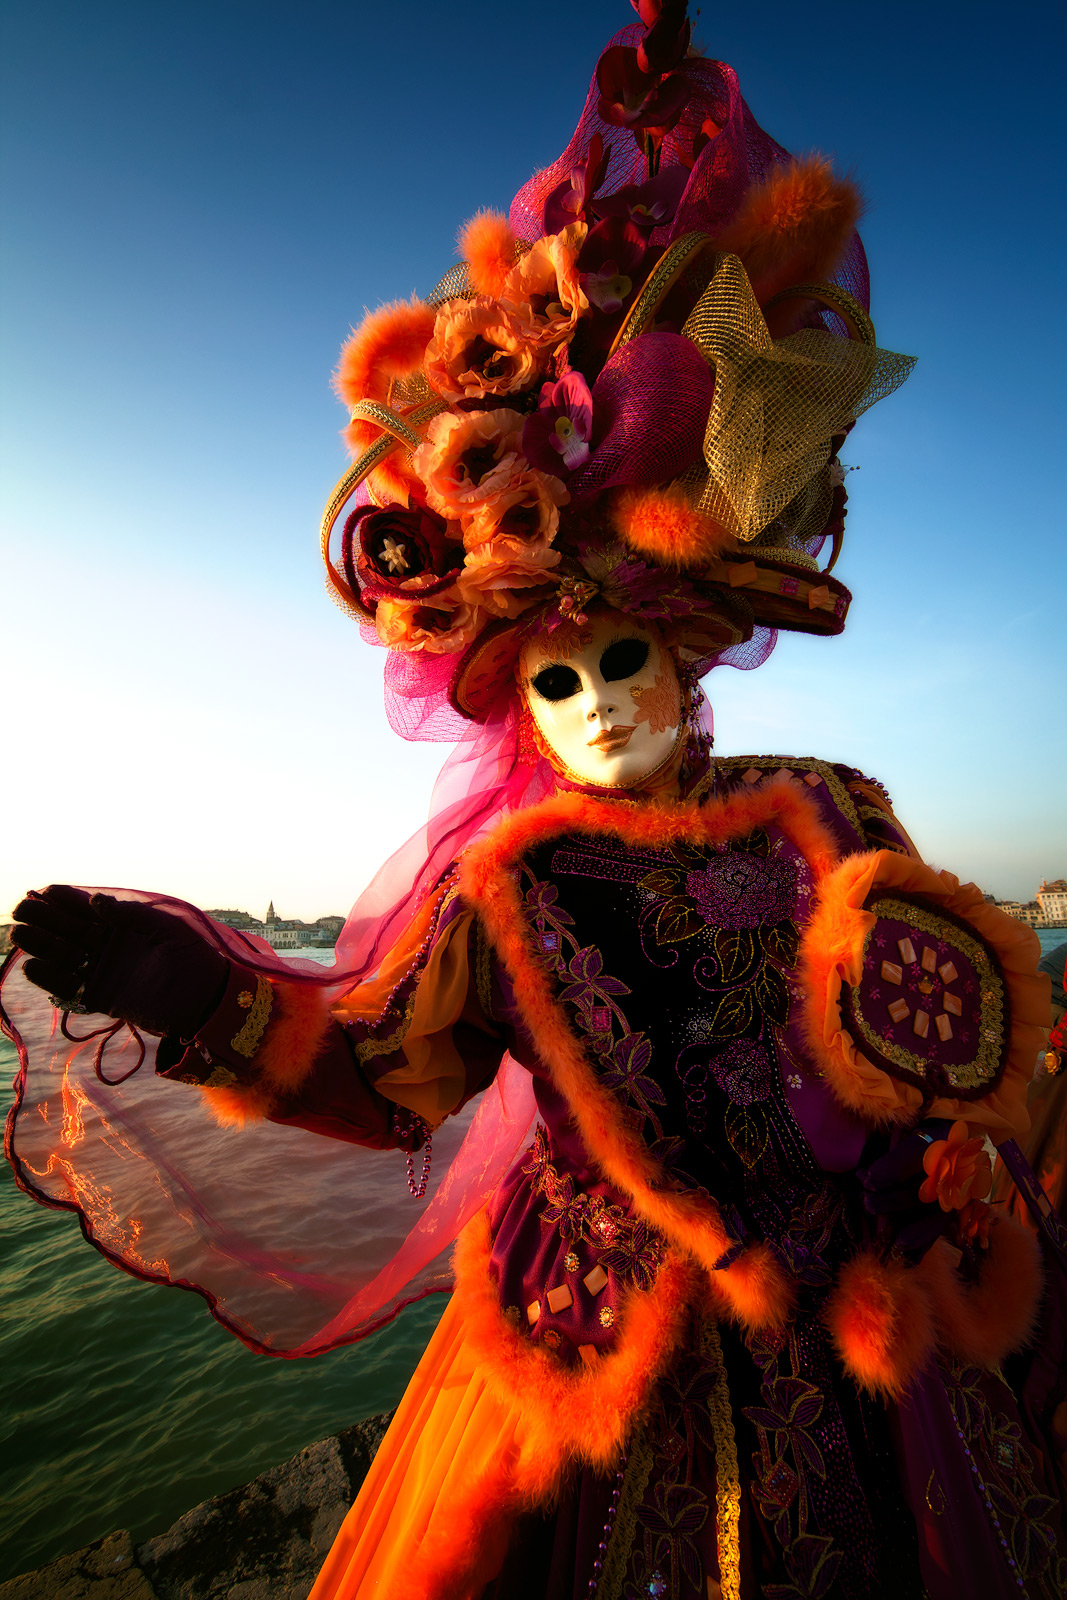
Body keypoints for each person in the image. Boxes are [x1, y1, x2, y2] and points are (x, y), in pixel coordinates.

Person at [5, 6, 1065, 1596]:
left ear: (692, 650)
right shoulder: (508, 883)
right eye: (555, 678)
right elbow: (391, 1088)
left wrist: (944, 1156)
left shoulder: (826, 810)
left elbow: (951, 1040)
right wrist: (199, 991)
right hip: (598, 1326)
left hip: (859, 1314)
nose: (598, 699)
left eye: (623, 654)